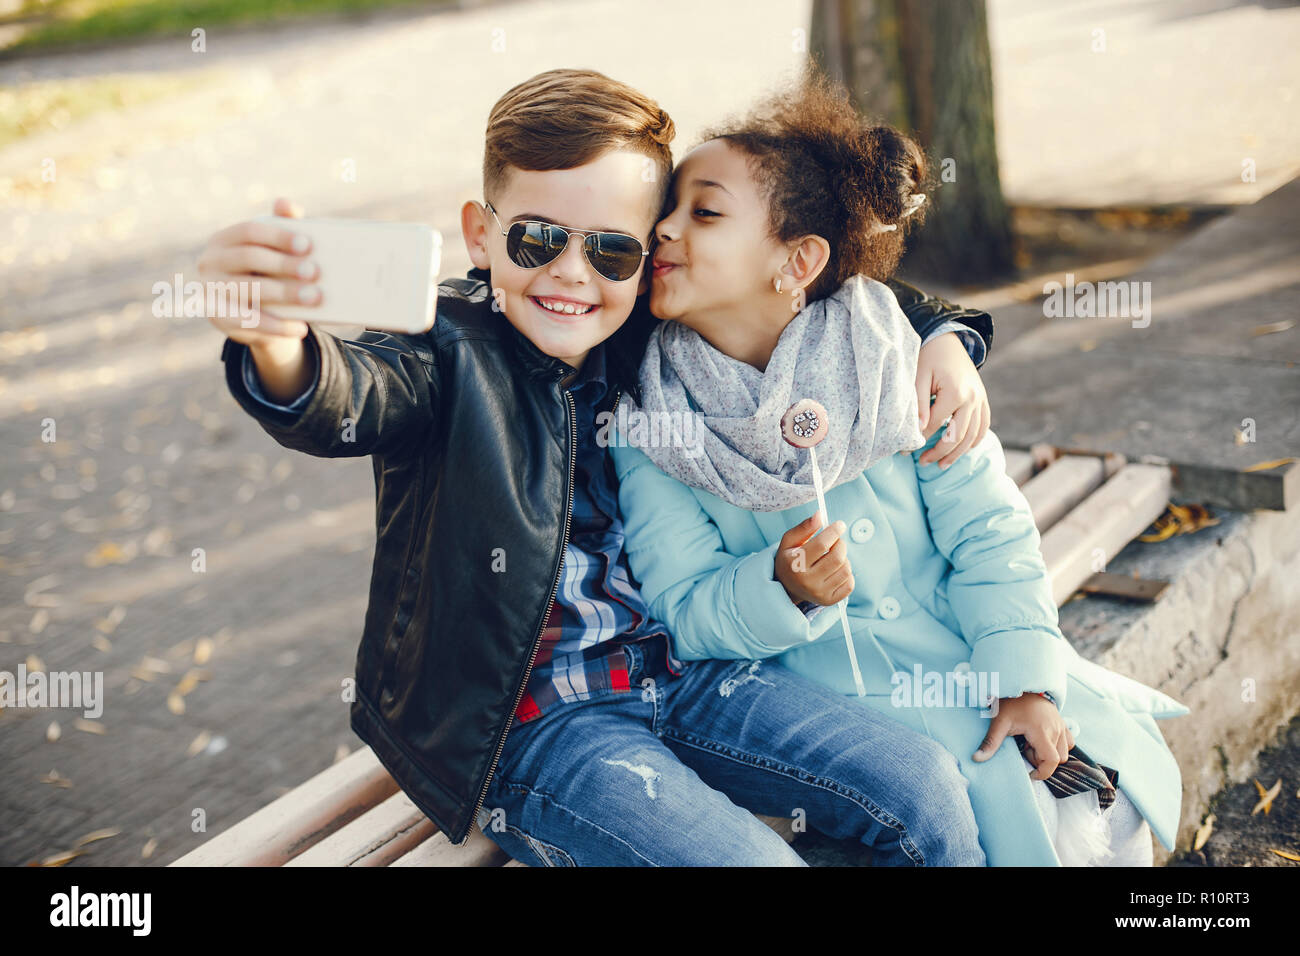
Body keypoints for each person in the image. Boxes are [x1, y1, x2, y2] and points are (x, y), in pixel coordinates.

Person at [198, 68, 997, 865]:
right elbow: (347, 395)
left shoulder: (642, 327)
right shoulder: (446, 349)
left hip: (681, 672)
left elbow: (828, 297)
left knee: (921, 787)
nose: (573, 274)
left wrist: (946, 337)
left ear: (651, 257)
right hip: (530, 723)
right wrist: (276, 344)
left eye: (614, 249)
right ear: (481, 233)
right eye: (537, 239)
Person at [611, 71, 1188, 866]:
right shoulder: (650, 421)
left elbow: (989, 532)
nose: (664, 232)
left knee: (1097, 824)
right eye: (665, 212)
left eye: (703, 212)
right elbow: (681, 604)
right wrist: (778, 588)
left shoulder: (896, 362)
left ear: (797, 260)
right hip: (845, 731)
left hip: (977, 671)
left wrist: (1024, 683)